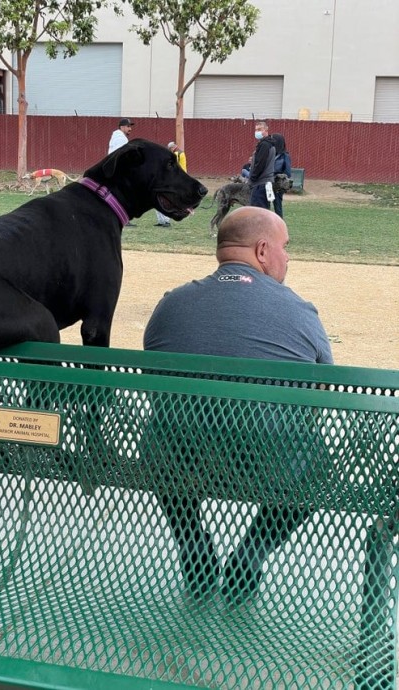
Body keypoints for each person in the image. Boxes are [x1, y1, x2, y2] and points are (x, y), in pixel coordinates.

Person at [144, 206, 333, 599]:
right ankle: (252, 551)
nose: (287, 257)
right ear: (262, 250)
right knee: (316, 464)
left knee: (165, 436)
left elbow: (156, 386)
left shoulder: (170, 304)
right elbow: (320, 396)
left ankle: (192, 542)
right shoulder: (299, 310)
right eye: (285, 247)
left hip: (179, 463)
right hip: (269, 465)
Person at [107, 117, 137, 226]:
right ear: (122, 127)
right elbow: (122, 156)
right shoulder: (121, 138)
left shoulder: (116, 136)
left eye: (130, 126)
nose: (130, 128)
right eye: (128, 126)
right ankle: (124, 218)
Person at [154, 142, 188, 227]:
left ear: (173, 148)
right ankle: (163, 221)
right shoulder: (180, 153)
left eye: (169, 149)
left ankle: (166, 220)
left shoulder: (176, 154)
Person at [248, 120, 275, 209]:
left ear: (266, 130)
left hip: (260, 183)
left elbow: (260, 164)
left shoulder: (264, 145)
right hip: (265, 182)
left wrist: (252, 178)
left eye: (260, 129)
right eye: (256, 130)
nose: (257, 132)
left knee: (257, 212)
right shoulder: (270, 144)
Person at [272, 133, 292, 218]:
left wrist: (278, 176)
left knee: (277, 206)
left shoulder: (285, 156)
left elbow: (288, 173)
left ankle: (279, 224)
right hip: (268, 182)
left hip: (278, 185)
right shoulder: (270, 154)